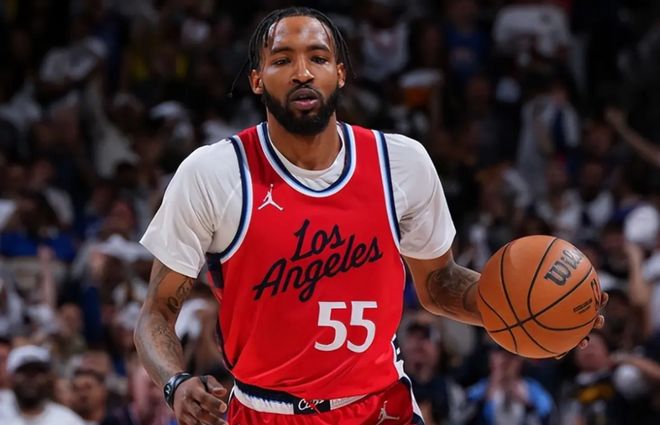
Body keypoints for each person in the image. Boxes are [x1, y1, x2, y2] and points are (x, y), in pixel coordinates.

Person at [134, 7, 606, 425]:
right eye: (282, 60)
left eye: (318, 58)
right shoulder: (213, 173)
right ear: (257, 79)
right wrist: (175, 382)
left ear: (340, 73)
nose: (302, 72)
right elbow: (157, 311)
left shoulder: (401, 163)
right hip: (264, 411)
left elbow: (438, 283)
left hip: (380, 408)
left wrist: (530, 315)